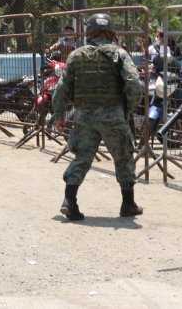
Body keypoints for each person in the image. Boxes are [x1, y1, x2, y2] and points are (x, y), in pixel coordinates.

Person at [51, 13, 144, 221]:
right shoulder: (119, 54)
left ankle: (69, 201)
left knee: (82, 157)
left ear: (89, 33)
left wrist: (59, 115)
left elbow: (61, 89)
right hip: (113, 115)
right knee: (123, 157)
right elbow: (134, 84)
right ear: (110, 33)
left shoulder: (76, 55)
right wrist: (129, 107)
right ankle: (128, 203)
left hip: (84, 116)